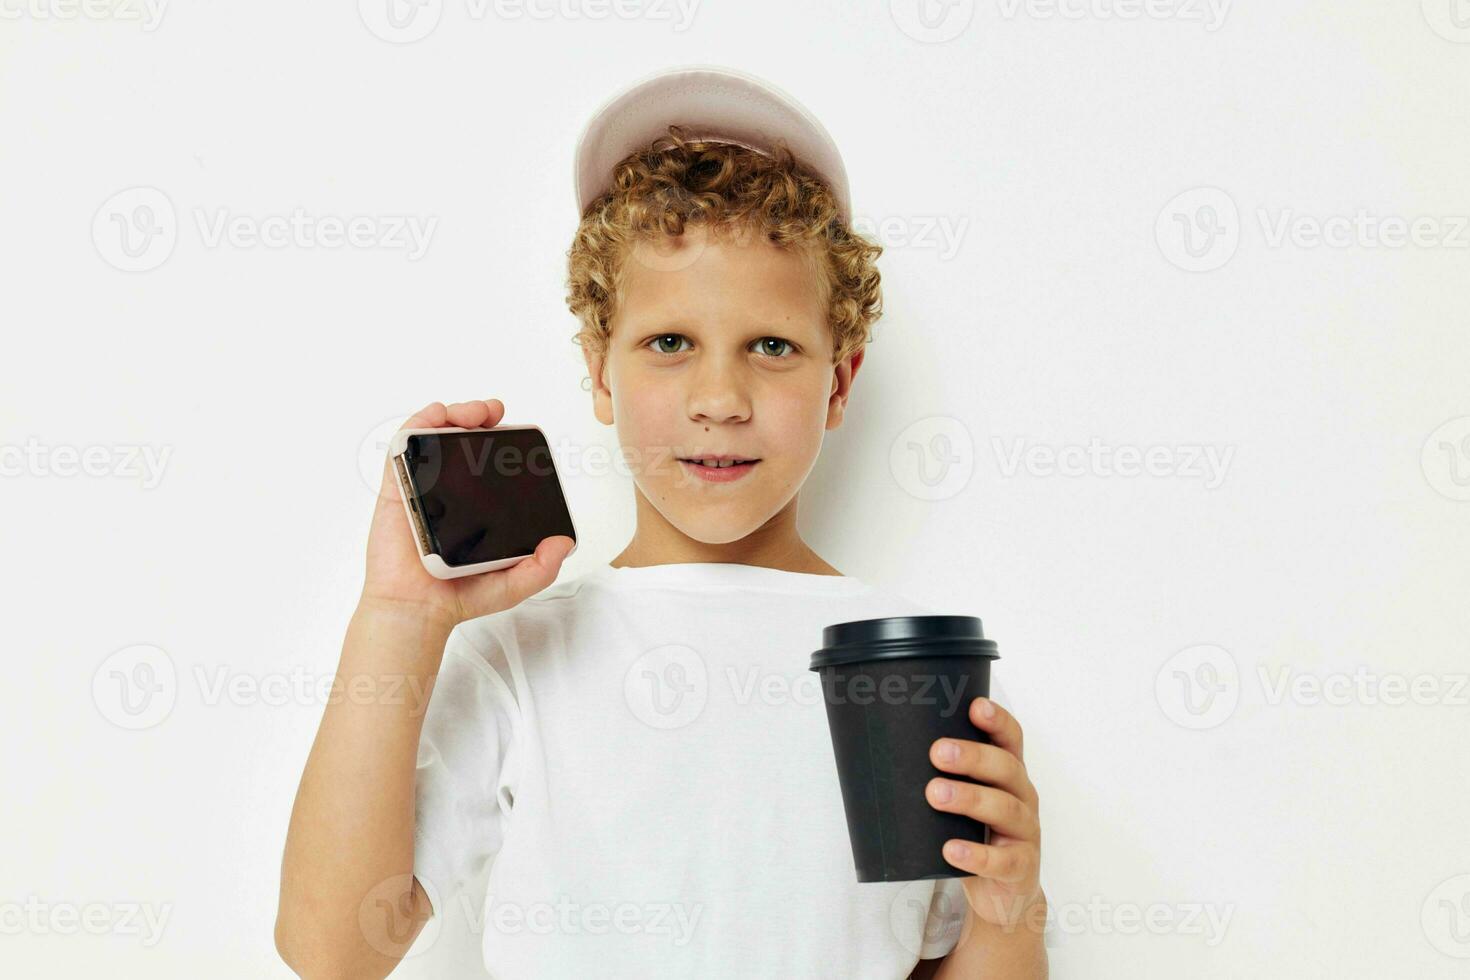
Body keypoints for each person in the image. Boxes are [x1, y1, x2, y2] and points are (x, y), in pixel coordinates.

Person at [274, 64, 1048, 979]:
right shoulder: (517, 654)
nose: (719, 398)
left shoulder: (906, 667)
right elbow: (331, 950)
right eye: (670, 343)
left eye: (771, 346)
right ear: (601, 373)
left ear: (838, 382)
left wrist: (1008, 911)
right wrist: (397, 620)